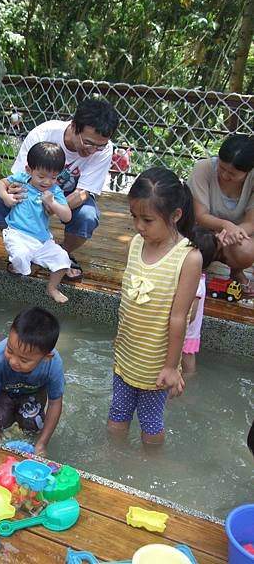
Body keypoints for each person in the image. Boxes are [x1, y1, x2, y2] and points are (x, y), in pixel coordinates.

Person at [107, 167, 202, 445]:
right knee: (116, 416)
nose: (138, 226)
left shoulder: (188, 258)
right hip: (127, 355)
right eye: (134, 217)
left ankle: (147, 469)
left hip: (157, 365)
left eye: (147, 220)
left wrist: (172, 367)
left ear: (175, 215)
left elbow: (178, 318)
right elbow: (129, 302)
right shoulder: (136, 243)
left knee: (150, 425)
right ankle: (113, 465)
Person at [0, 98, 119, 281]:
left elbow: (83, 192)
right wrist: (29, 202)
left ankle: (61, 253)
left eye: (100, 145)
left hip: (67, 196)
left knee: (88, 216)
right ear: (74, 126)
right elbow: (17, 182)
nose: (92, 151)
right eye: (88, 143)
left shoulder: (104, 150)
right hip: (32, 189)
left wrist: (53, 206)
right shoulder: (44, 133)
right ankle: (24, 249)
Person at [0, 307, 64, 455]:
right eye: (10, 350)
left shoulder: (53, 364)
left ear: (45, 357)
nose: (13, 361)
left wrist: (42, 444)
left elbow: (55, 403)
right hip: (4, 393)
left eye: (24, 360)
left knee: (34, 424)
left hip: (34, 393)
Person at [0, 141, 72, 303]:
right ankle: (24, 268)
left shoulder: (54, 191)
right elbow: (1, 183)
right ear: (29, 170)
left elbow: (67, 216)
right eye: (41, 176)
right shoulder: (22, 179)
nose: (47, 182)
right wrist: (5, 196)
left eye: (53, 177)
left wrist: (52, 203)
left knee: (63, 259)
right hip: (17, 233)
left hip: (41, 239)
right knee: (20, 255)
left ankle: (52, 287)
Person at [188, 134, 254, 298]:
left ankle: (236, 272)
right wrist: (226, 226)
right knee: (197, 243)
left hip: (235, 236)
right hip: (203, 232)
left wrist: (232, 232)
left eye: (232, 174)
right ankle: (193, 273)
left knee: (247, 251)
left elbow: (251, 223)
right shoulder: (203, 168)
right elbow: (200, 216)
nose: (225, 176)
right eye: (222, 168)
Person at [181, 227, 220, 374]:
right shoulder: (195, 277)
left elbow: (191, 314)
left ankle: (187, 388)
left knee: (187, 366)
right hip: (186, 333)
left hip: (186, 334)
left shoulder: (195, 281)